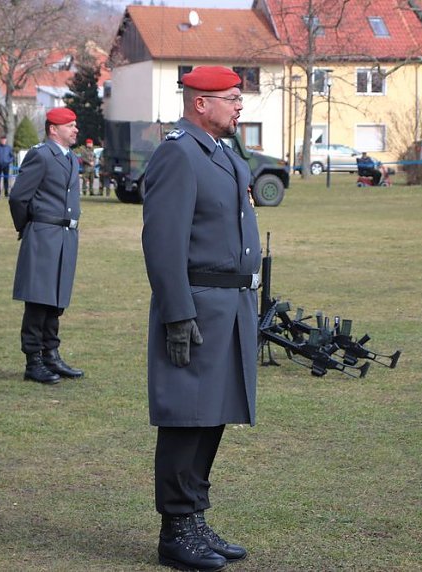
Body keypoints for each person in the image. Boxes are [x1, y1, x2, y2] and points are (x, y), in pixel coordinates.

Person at [142, 65, 258, 571]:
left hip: (229, 306)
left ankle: (194, 517)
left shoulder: (221, 153)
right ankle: (175, 530)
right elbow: (162, 243)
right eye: (231, 98)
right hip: (196, 308)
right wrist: (176, 314)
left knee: (213, 416)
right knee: (186, 419)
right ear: (200, 103)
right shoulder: (178, 153)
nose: (239, 106)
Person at [9, 107, 84, 384]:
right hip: (44, 233)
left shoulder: (71, 158)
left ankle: (51, 354)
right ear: (54, 129)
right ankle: (33, 361)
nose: (76, 129)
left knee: (56, 299)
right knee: (39, 299)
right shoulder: (40, 155)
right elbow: (18, 198)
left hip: (65, 236)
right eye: (70, 125)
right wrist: (28, 226)